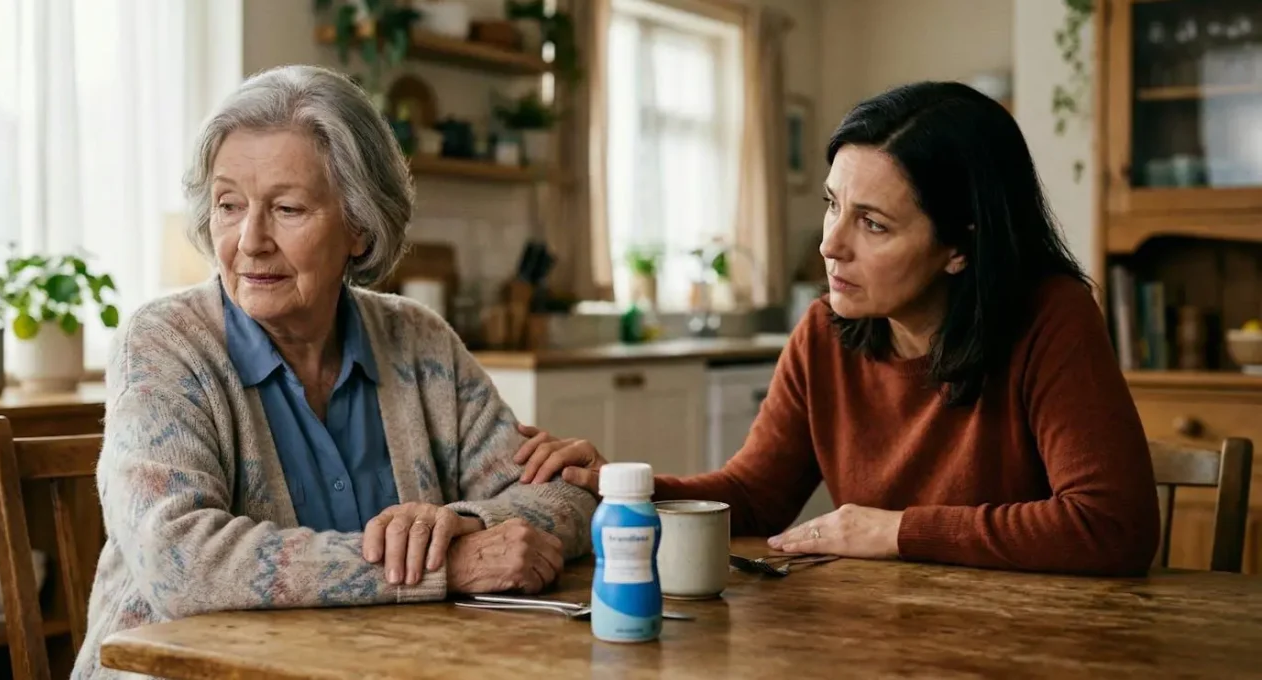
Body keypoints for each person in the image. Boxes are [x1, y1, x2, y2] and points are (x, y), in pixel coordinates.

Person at [513, 81, 1162, 577]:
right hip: (883, 635)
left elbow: (1114, 526)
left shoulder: (1050, 316)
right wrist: (620, 483)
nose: (830, 245)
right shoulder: (825, 331)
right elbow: (756, 496)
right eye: (832, 205)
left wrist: (893, 532)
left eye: (873, 224)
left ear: (960, 247)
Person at [74, 65, 595, 677]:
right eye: (228, 205)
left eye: (288, 208)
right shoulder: (161, 344)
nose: (250, 240)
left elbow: (565, 497)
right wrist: (442, 566)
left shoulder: (419, 340)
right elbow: (182, 564)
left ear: (359, 224)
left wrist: (469, 522)